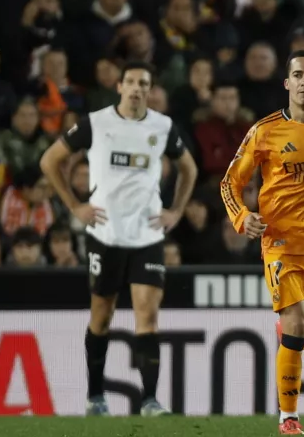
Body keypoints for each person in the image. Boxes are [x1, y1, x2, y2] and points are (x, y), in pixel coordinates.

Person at [39, 61, 198, 417]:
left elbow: (190, 168)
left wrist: (175, 210)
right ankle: (95, 396)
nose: (137, 88)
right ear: (120, 87)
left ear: (150, 89)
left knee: (148, 315)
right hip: (105, 234)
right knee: (102, 315)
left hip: (146, 235)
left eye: (144, 83)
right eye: (131, 82)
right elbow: (50, 161)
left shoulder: (163, 126)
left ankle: (150, 400)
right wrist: (75, 205)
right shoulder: (97, 123)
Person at [220, 50, 304, 436]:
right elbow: (230, 183)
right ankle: (288, 418)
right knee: (294, 326)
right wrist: (243, 218)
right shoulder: (265, 131)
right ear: (287, 83)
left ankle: (299, 349)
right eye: (298, 75)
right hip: (282, 245)